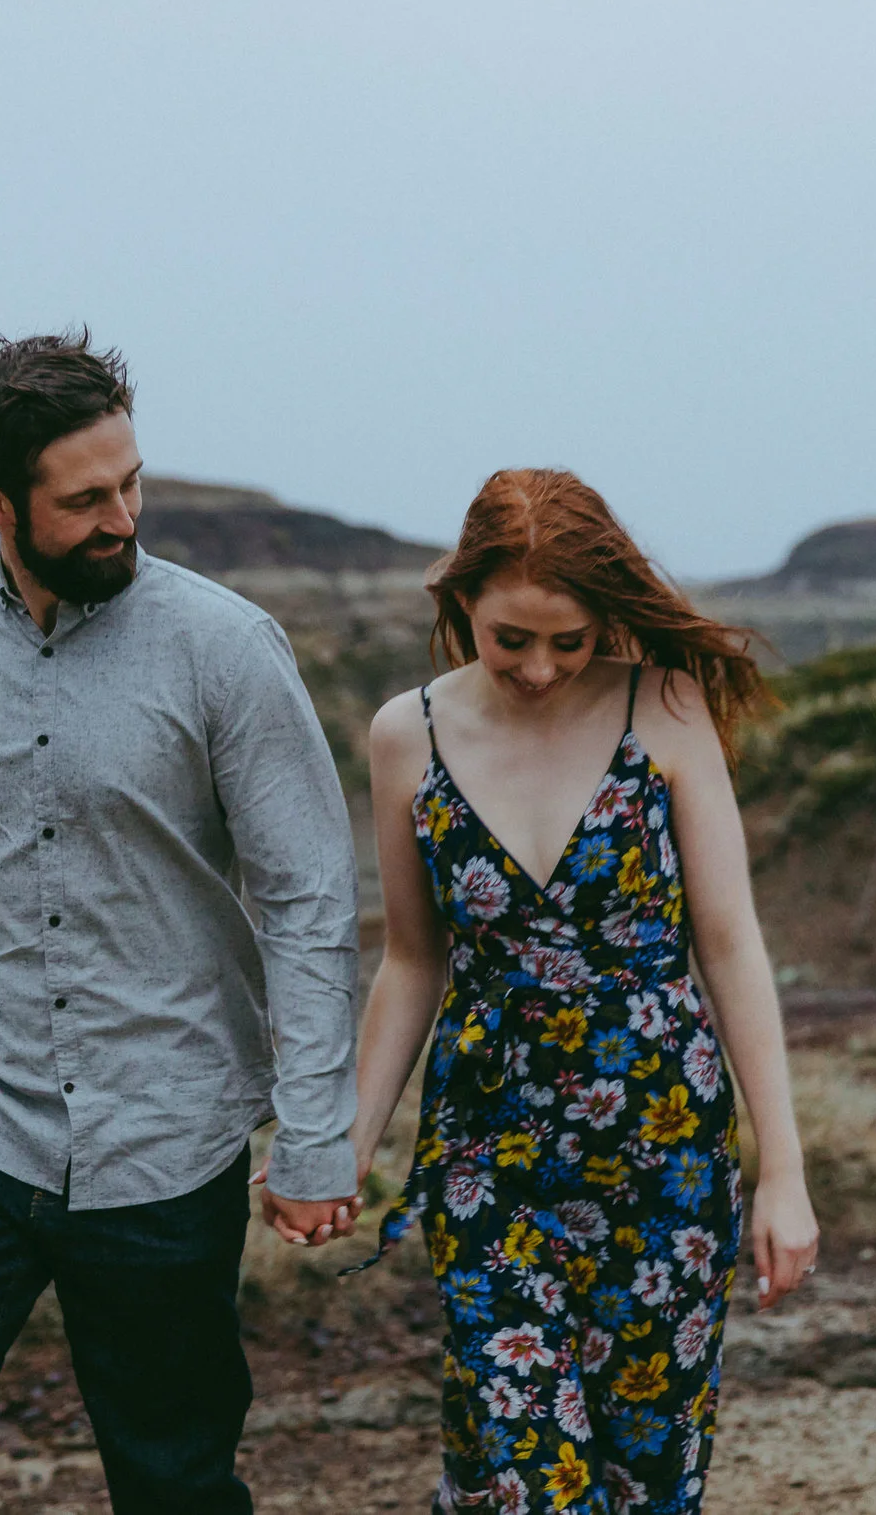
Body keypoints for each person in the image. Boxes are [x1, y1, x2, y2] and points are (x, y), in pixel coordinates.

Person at [0, 330, 363, 1515]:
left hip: (165, 1128)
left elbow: (308, 901)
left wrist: (317, 1129)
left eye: (130, 483)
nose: (122, 517)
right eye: (84, 499)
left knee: (173, 1472)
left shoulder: (227, 646)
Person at [346, 468, 819, 1514]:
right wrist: (346, 1143)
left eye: (571, 639)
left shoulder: (665, 705)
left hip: (663, 1155)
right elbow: (412, 960)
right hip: (483, 1151)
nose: (541, 667)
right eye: (510, 637)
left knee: (645, 1483)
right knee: (538, 1487)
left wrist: (780, 1169)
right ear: (460, 597)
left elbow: (729, 940)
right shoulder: (403, 734)